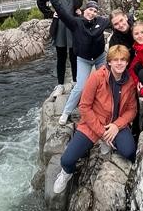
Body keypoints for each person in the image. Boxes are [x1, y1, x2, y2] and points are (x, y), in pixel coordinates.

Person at [52, 44, 138, 194]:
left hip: (115, 125)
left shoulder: (129, 82)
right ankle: (67, 173)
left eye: (123, 60)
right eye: (115, 60)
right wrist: (102, 133)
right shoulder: (97, 77)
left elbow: (132, 110)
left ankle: (111, 142)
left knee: (129, 152)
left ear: (127, 62)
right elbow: (84, 106)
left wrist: (116, 126)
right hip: (93, 124)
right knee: (67, 160)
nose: (119, 63)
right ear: (109, 62)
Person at [40, 0, 110, 126]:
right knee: (80, 86)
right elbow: (62, 12)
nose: (92, 13)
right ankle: (66, 112)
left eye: (95, 11)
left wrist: (131, 20)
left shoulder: (101, 22)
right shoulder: (76, 23)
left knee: (106, 83)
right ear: (84, 11)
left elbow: (117, 22)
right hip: (83, 59)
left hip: (100, 57)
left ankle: (105, 109)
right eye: (90, 10)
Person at [37, 0, 97, 94]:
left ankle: (75, 82)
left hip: (75, 25)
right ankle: (60, 85)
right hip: (60, 26)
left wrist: (83, 11)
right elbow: (40, 1)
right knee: (61, 56)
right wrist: (50, 14)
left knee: (74, 55)